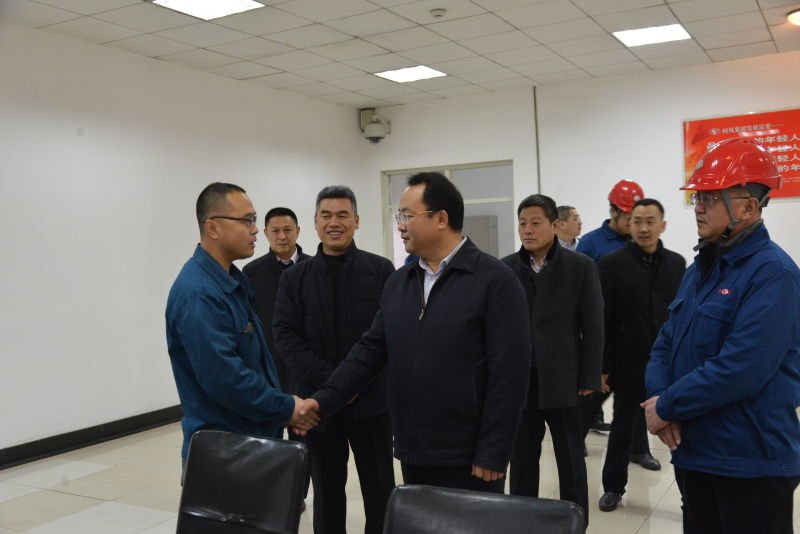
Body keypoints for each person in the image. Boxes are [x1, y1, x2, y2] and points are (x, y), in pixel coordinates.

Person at [298, 172, 531, 495]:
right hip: (414, 447)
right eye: (400, 216)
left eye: (407, 215)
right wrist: (321, 402)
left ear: (441, 219)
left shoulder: (494, 281)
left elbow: (510, 374)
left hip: (469, 453)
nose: (401, 225)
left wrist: (494, 450)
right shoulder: (400, 282)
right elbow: (369, 351)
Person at [643, 137, 800, 534]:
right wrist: (659, 402)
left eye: (710, 198)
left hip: (749, 462)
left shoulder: (774, 274)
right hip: (696, 454)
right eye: (697, 196)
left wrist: (668, 406)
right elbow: (666, 342)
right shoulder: (700, 270)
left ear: (748, 207)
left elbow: (743, 367)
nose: (698, 206)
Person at [165, 182, 318, 465]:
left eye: (254, 220)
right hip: (225, 455)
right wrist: (287, 408)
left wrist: (280, 410)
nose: (256, 229)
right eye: (247, 220)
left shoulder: (233, 282)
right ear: (213, 228)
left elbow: (253, 363)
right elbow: (225, 379)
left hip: (250, 444)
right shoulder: (200, 295)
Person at [272, 186, 395, 534]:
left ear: (357, 221)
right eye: (326, 215)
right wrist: (338, 386)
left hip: (371, 403)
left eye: (343, 215)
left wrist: (351, 385)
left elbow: (388, 336)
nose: (334, 222)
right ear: (315, 223)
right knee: (326, 493)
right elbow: (285, 336)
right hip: (317, 407)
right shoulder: (294, 278)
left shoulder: (382, 271)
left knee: (380, 490)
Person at [502, 194, 603, 522]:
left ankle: (576, 522)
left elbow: (593, 325)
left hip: (565, 379)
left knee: (571, 460)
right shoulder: (507, 268)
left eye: (535, 223)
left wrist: (590, 377)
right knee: (522, 461)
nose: (527, 230)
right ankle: (521, 523)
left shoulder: (580, 266)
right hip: (521, 381)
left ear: (555, 225)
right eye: (522, 223)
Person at [597, 198, 685, 512]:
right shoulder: (611, 264)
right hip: (629, 361)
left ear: (663, 225)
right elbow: (604, 317)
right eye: (637, 221)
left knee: (677, 428)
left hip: (669, 364)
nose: (644, 228)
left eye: (650, 221)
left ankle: (689, 493)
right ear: (629, 225)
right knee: (622, 425)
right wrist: (603, 365)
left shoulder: (676, 264)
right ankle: (613, 487)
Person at [577, 180, 660, 473]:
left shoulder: (640, 244)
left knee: (636, 399)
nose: (633, 222)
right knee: (593, 395)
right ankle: (575, 438)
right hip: (605, 334)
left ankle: (639, 449)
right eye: (627, 215)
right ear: (613, 211)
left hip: (637, 336)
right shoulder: (591, 244)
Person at [243, 207, 310, 391]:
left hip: (309, 358)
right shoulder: (251, 272)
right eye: (275, 231)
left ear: (297, 231)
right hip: (270, 359)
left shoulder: (315, 267)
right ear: (266, 233)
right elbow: (248, 320)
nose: (282, 236)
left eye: (287, 230)